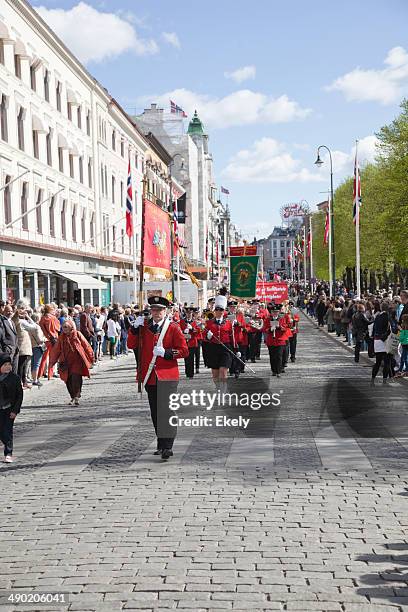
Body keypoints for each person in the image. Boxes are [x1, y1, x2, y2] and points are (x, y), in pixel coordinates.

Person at [133, 296, 188, 461]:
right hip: (150, 376)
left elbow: (184, 350)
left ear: (166, 311)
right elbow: (131, 345)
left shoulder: (173, 328)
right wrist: (134, 330)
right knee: (156, 412)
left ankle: (167, 446)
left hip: (168, 375)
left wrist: (167, 353)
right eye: (154, 310)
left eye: (159, 310)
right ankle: (161, 441)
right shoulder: (144, 327)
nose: (156, 313)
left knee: (167, 410)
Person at [49, 319, 94, 406]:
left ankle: (76, 397)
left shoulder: (77, 334)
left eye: (66, 327)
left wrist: (91, 356)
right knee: (68, 380)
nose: (64, 329)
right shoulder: (61, 337)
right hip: (65, 361)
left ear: (71, 327)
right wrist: (52, 362)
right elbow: (56, 350)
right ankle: (73, 396)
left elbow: (86, 345)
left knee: (76, 378)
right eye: (63, 327)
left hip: (77, 361)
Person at [205, 295, 236, 391]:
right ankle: (218, 388)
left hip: (225, 349)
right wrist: (207, 336)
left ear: (224, 311)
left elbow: (232, 337)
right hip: (213, 349)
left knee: (223, 371)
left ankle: (223, 390)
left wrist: (236, 349)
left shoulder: (228, 323)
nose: (219, 312)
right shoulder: (209, 323)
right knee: (215, 374)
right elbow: (203, 337)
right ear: (214, 311)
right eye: (217, 309)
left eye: (221, 310)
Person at [0, 353, 23, 463]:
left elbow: (19, 396)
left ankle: (8, 453)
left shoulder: (15, 378)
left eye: (9, 364)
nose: (8, 366)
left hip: (9, 409)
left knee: (7, 431)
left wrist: (15, 410)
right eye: (5, 364)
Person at [371, 302, 391, 386]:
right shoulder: (388, 316)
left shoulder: (377, 316)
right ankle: (384, 381)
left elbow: (374, 328)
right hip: (385, 340)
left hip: (377, 340)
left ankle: (372, 380)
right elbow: (390, 329)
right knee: (387, 362)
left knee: (378, 362)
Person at [38, 304, 61, 379]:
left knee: (43, 358)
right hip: (53, 339)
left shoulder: (42, 318)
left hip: (45, 339)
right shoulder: (53, 318)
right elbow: (58, 328)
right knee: (52, 357)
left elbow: (41, 328)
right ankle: (50, 375)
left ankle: (39, 374)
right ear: (50, 310)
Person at [28, 312, 46, 387]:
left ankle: (33, 378)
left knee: (32, 363)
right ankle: (35, 380)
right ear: (37, 319)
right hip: (37, 346)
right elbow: (39, 339)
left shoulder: (28, 326)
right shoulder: (36, 327)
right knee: (36, 364)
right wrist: (45, 339)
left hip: (31, 346)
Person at [0, 303, 19, 373]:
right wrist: (7, 347)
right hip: (8, 349)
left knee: (14, 369)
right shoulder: (2, 321)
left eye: (11, 311)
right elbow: (3, 335)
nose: (10, 313)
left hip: (15, 349)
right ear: (4, 311)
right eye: (8, 311)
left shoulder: (11, 321)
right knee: (7, 369)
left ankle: (14, 383)